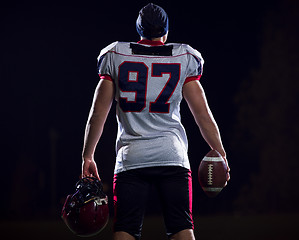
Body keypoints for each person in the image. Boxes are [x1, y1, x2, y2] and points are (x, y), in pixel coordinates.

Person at [81, 3, 230, 240]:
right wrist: (220, 151)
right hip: (172, 155)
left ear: (139, 29)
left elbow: (98, 113)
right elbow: (202, 113)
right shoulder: (184, 57)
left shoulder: (115, 55)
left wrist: (88, 156)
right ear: (166, 31)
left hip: (131, 157)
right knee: (182, 227)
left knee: (125, 230)